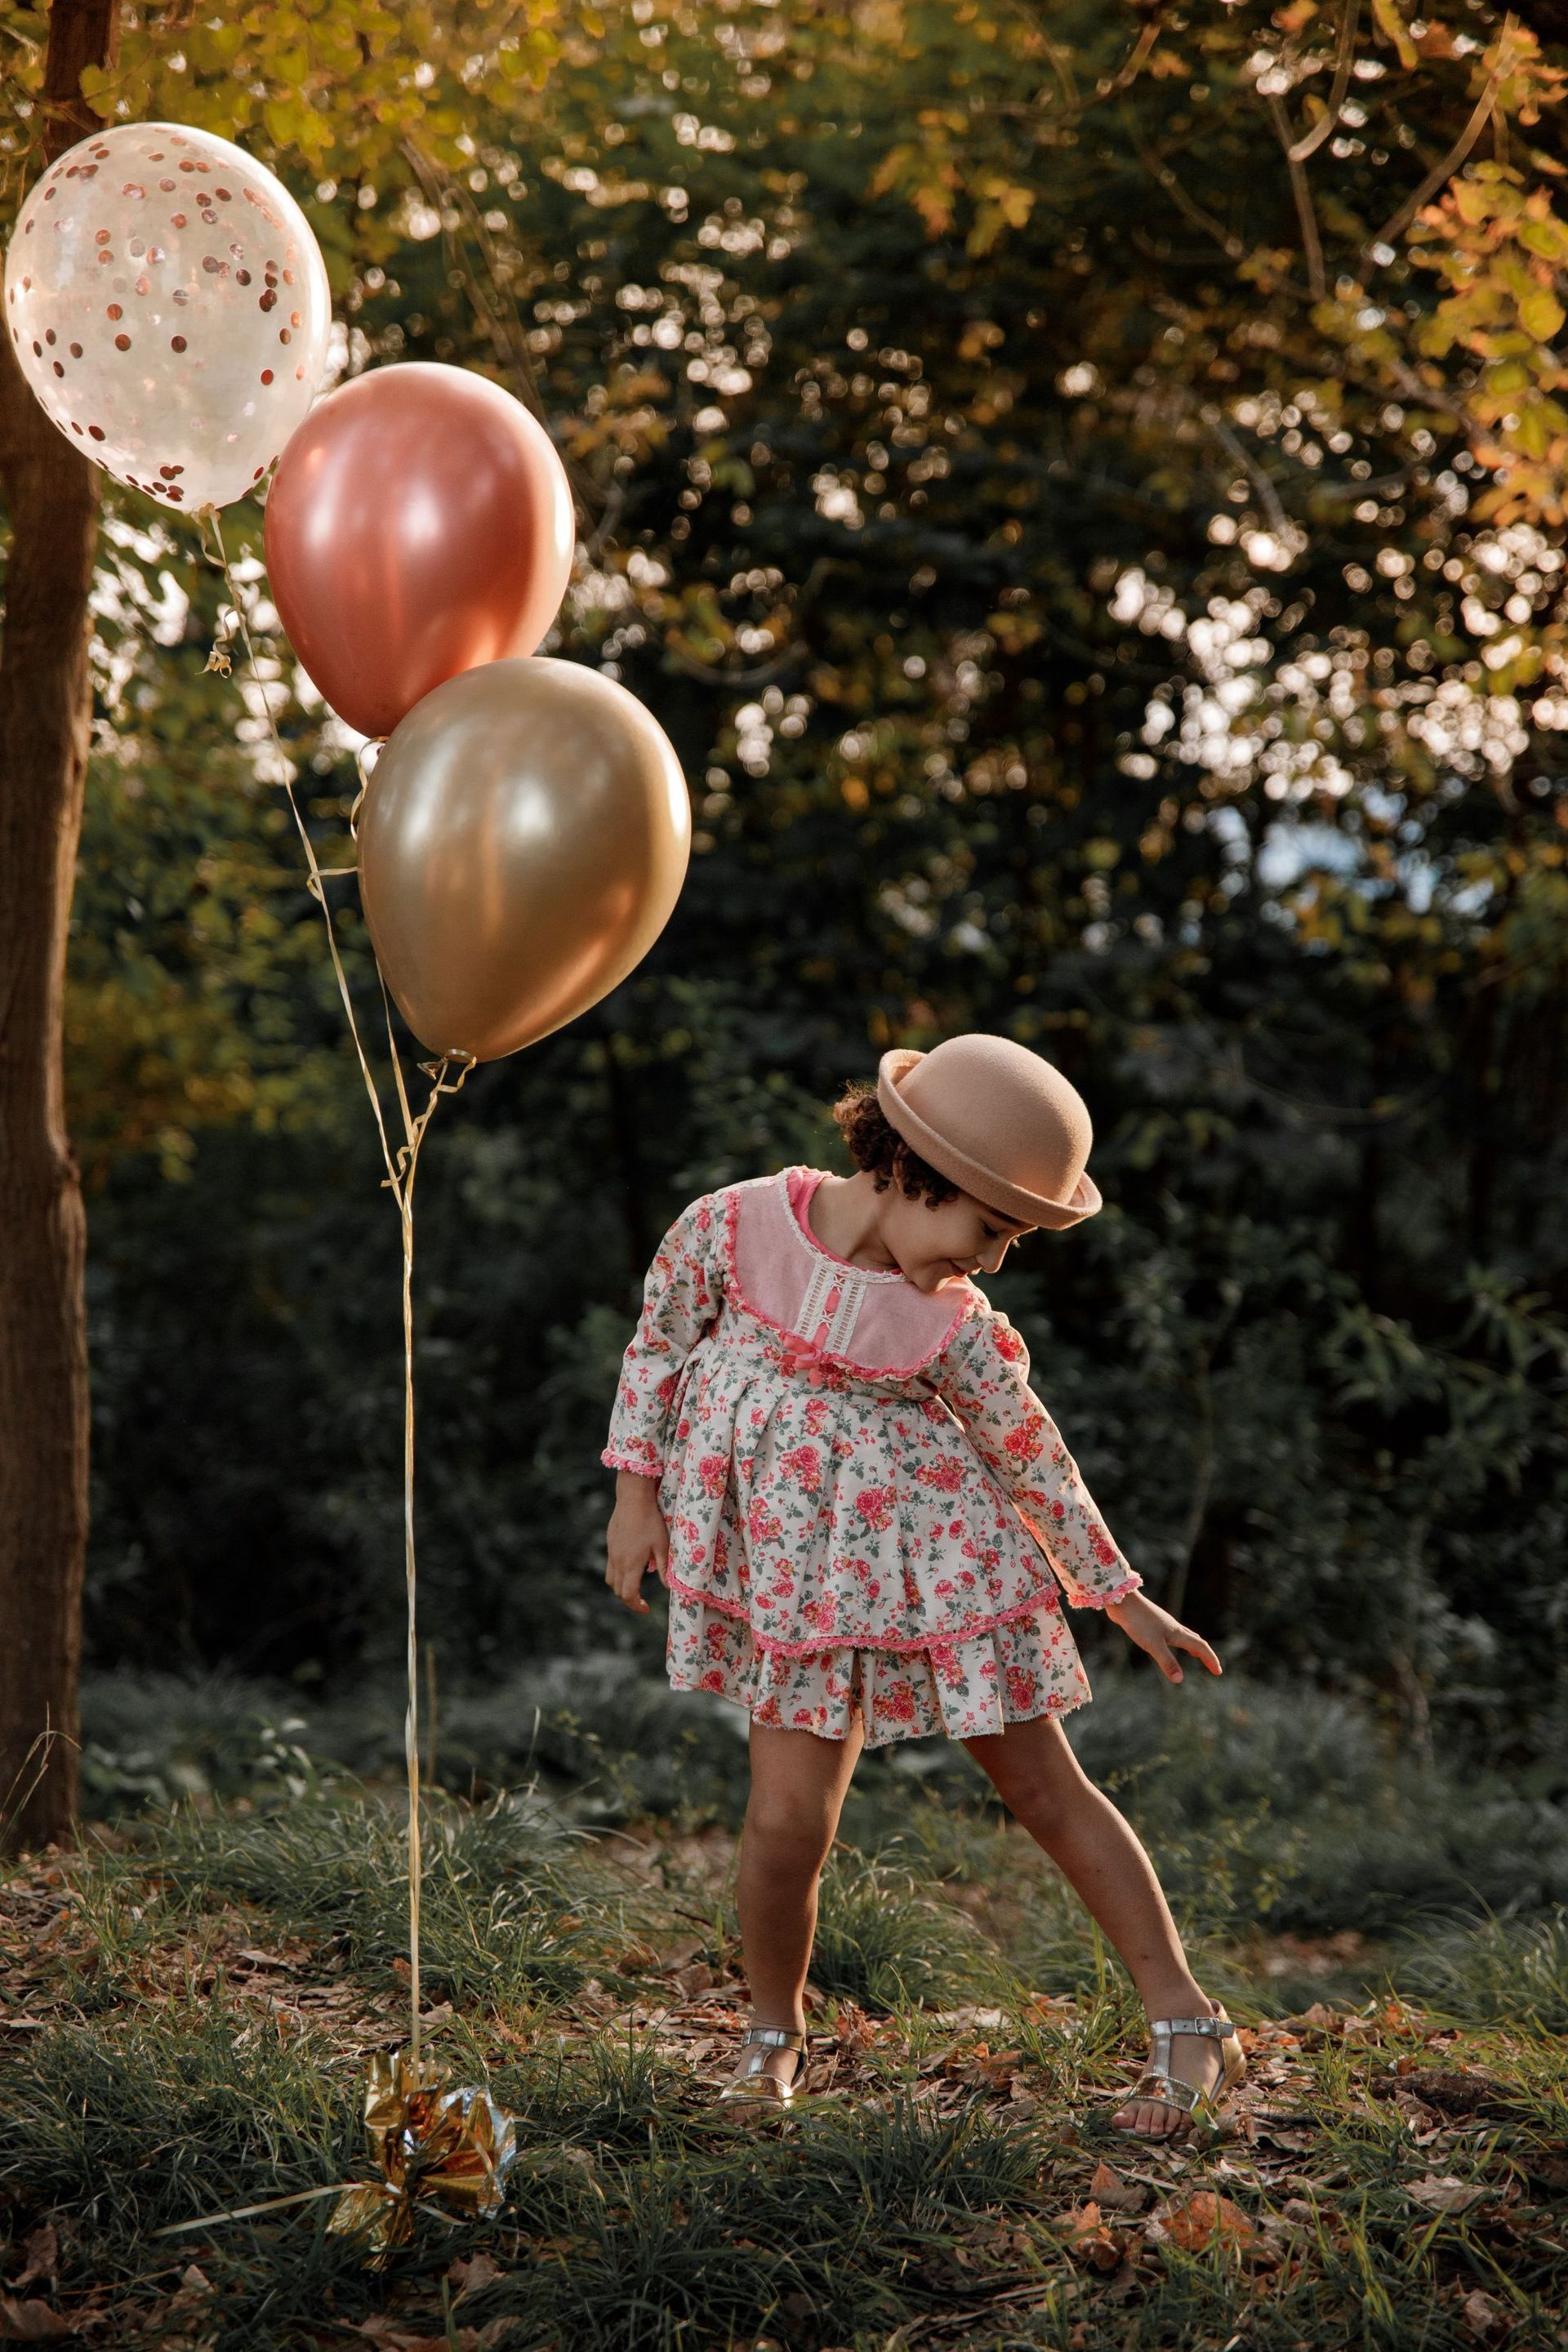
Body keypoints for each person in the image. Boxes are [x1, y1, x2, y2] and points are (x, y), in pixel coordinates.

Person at [601, 1033, 1242, 2136]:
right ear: (908, 1169)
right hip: (797, 1594)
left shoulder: (948, 1319)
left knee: (1045, 1789)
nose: (993, 1262)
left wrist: (1118, 1593)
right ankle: (772, 2035)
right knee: (786, 1821)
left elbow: (1026, 1448)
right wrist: (635, 1495)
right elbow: (657, 1345)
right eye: (990, 1229)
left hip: (938, 1575)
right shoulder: (730, 1227)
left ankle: (1188, 2019)